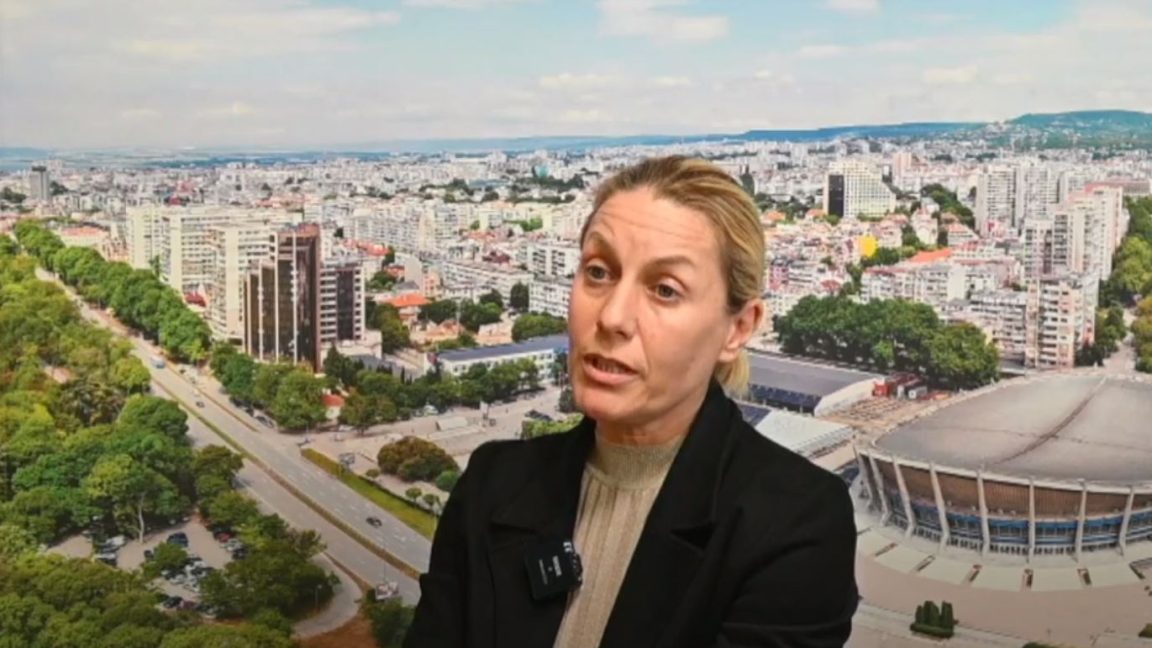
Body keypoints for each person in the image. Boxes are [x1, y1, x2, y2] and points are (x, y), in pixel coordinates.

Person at [404, 156, 859, 648]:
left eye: (664, 290)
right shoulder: (493, 484)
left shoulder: (795, 524)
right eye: (598, 272)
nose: (613, 317)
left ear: (738, 328)